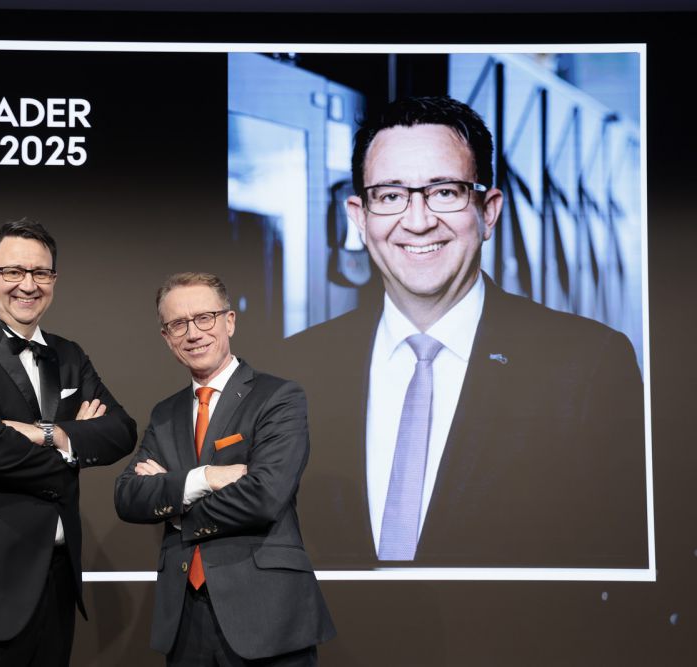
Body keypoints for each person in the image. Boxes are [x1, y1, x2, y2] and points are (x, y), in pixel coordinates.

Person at [286, 96, 648, 568]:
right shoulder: (292, 370)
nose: (418, 222)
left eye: (445, 192)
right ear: (360, 217)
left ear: (488, 211)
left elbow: (621, 572)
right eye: (390, 196)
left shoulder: (587, 365)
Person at [0, 219, 137, 665]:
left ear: (54, 279)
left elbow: (121, 431)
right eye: (13, 271)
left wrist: (48, 433)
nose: (28, 285)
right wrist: (73, 449)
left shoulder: (69, 354)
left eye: (41, 273)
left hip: (55, 583)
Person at [115, 272, 335, 666]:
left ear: (229, 321)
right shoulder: (165, 414)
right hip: (184, 618)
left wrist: (177, 508)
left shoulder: (278, 397)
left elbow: (264, 496)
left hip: (267, 614)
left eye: (204, 318)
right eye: (178, 324)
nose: (193, 333)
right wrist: (205, 478)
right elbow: (128, 496)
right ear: (166, 337)